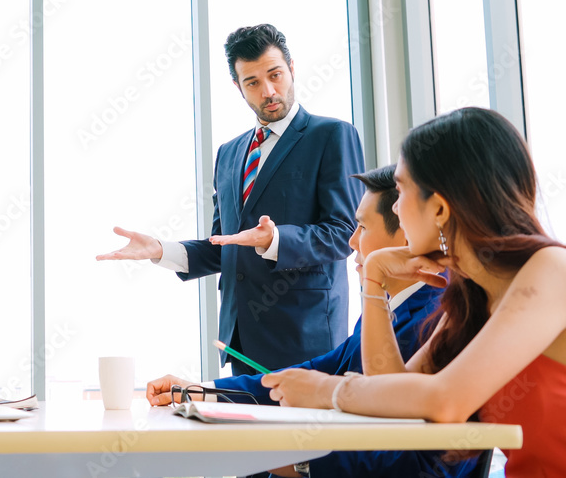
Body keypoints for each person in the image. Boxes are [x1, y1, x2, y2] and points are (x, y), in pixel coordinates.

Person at [262, 108, 566, 477]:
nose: (394, 207)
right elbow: (396, 393)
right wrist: (373, 279)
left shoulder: (552, 270)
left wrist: (328, 391)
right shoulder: (474, 295)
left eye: (401, 191)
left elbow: (445, 400)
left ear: (438, 208)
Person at [145, 164, 481, 477]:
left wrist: (298, 461)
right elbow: (319, 369)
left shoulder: (439, 317)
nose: (351, 243)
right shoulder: (389, 306)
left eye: (362, 227)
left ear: (406, 234)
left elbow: (417, 460)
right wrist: (200, 391)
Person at [98, 24, 365, 374]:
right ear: (238, 87)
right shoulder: (229, 154)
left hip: (307, 337)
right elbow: (223, 244)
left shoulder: (331, 135)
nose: (268, 90)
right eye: (253, 82)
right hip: (242, 340)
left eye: (275, 75)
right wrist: (161, 250)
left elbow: (344, 232)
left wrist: (275, 240)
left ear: (292, 69)